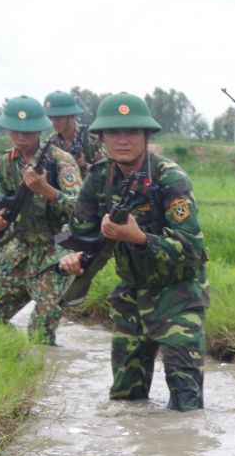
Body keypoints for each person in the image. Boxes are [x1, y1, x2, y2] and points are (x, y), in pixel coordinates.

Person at [57, 93, 210, 411]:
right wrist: (76, 259)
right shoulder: (99, 178)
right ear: (101, 138)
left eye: (131, 132)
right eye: (114, 132)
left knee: (186, 406)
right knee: (125, 402)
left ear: (146, 136)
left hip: (178, 297)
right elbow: (83, 236)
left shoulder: (171, 179)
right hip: (131, 297)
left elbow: (191, 251)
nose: (122, 140)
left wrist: (141, 238)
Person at [0, 96, 82, 345]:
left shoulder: (61, 161)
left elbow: (80, 211)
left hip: (56, 251)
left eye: (28, 129)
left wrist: (47, 191)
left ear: (39, 129)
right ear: (8, 129)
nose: (22, 135)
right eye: (16, 129)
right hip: (20, 248)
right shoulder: (4, 162)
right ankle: (15, 356)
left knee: (40, 333)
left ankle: (43, 371)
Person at [44, 90, 105, 178]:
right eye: (51, 117)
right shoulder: (50, 142)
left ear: (72, 116)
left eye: (58, 117)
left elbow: (107, 174)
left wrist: (84, 166)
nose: (53, 122)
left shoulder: (92, 139)